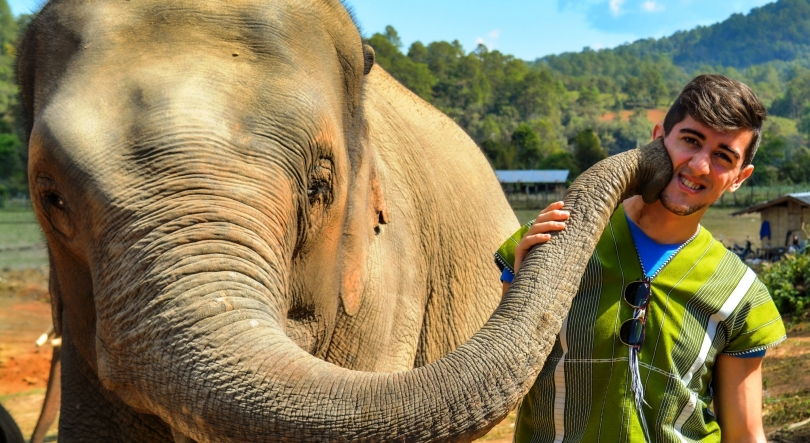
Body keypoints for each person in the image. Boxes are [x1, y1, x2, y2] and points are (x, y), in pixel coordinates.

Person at [495, 74, 785, 443]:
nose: (699, 165)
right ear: (658, 137)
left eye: (722, 156)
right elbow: (501, 374)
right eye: (691, 141)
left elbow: (744, 434)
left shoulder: (742, 294)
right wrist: (526, 279)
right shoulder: (556, 238)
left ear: (739, 178)